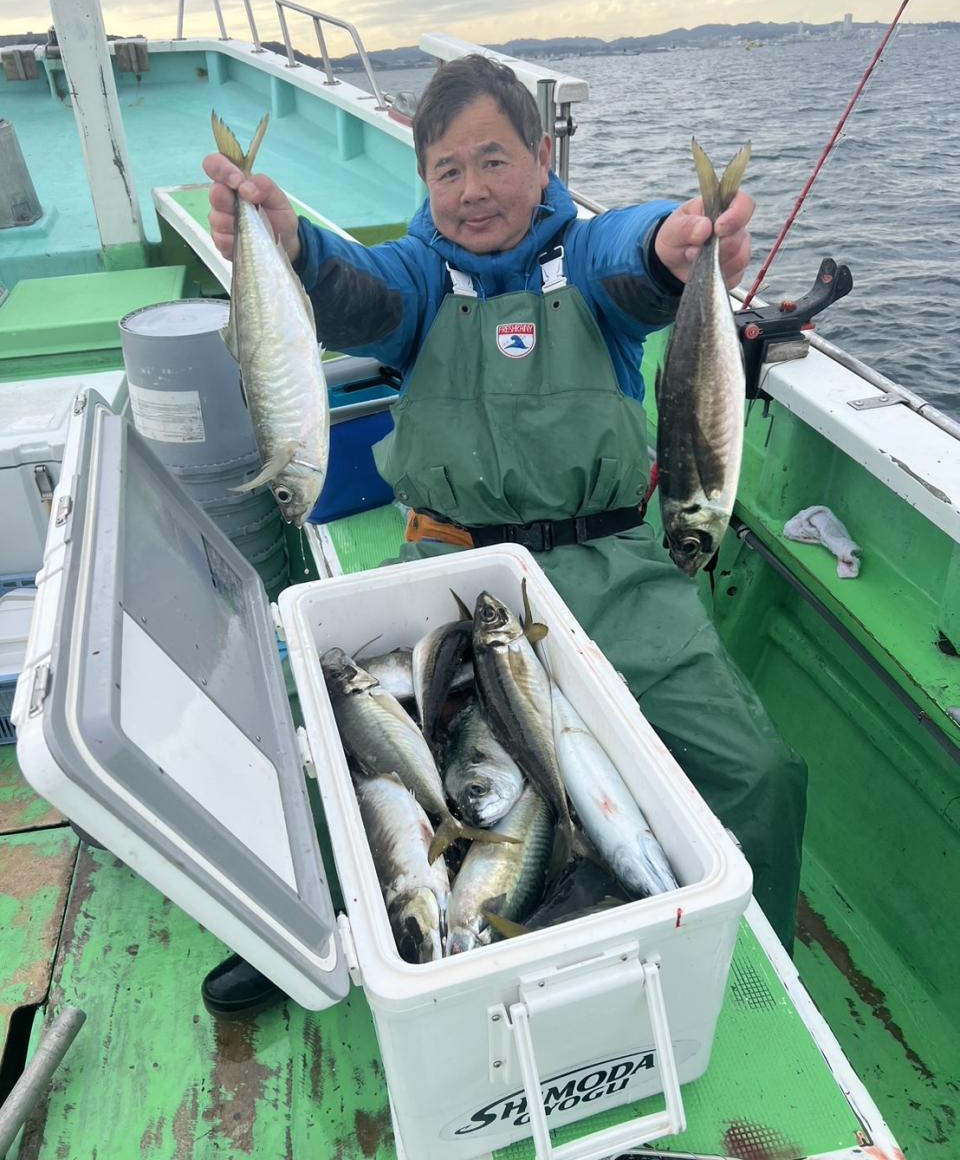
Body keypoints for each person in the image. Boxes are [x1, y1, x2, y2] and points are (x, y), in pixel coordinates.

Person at [201, 54, 806, 1015]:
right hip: (451, 569)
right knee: (330, 750)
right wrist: (294, 248)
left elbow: (638, 258)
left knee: (758, 774)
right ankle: (314, 930)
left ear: (541, 161)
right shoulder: (418, 280)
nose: (473, 190)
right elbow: (357, 290)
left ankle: (756, 974)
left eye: (494, 161)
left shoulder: (589, 264)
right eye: (448, 169)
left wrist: (678, 243)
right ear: (424, 182)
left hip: (612, 567)